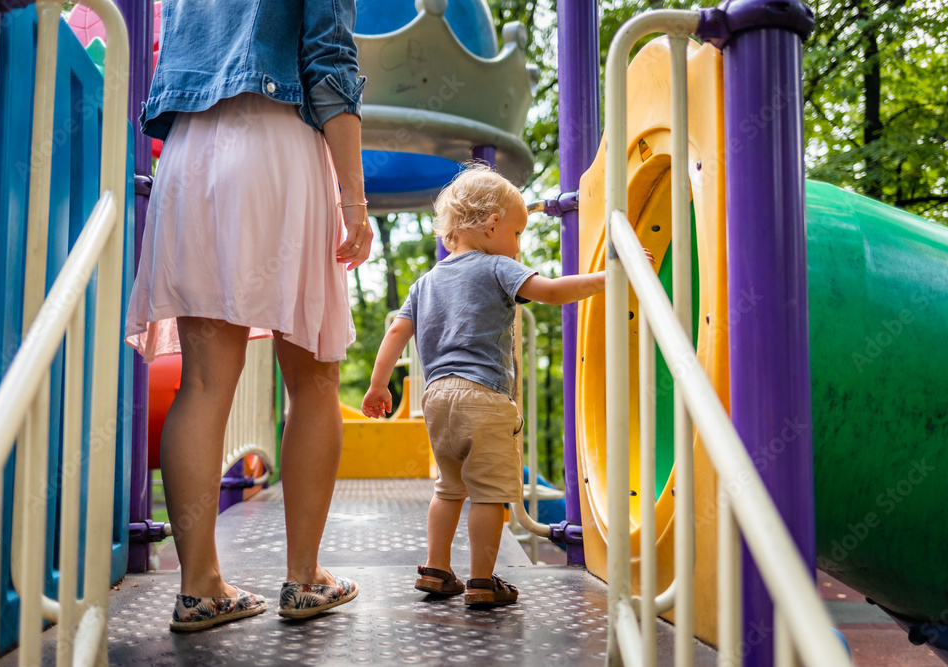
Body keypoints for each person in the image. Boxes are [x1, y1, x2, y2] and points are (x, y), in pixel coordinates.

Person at [125, 0, 370, 631]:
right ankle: (305, 577)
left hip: (189, 155)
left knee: (203, 382)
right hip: (277, 146)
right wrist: (354, 198)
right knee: (314, 379)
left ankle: (199, 586)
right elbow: (329, 65)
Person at [362, 165, 653, 607]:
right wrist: (611, 279)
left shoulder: (425, 282)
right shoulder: (499, 266)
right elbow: (553, 291)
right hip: (486, 397)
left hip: (437, 398)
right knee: (490, 494)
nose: (517, 245)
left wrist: (379, 385)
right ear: (492, 224)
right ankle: (482, 581)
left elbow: (396, 334)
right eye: (517, 233)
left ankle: (437, 569)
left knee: (447, 488)